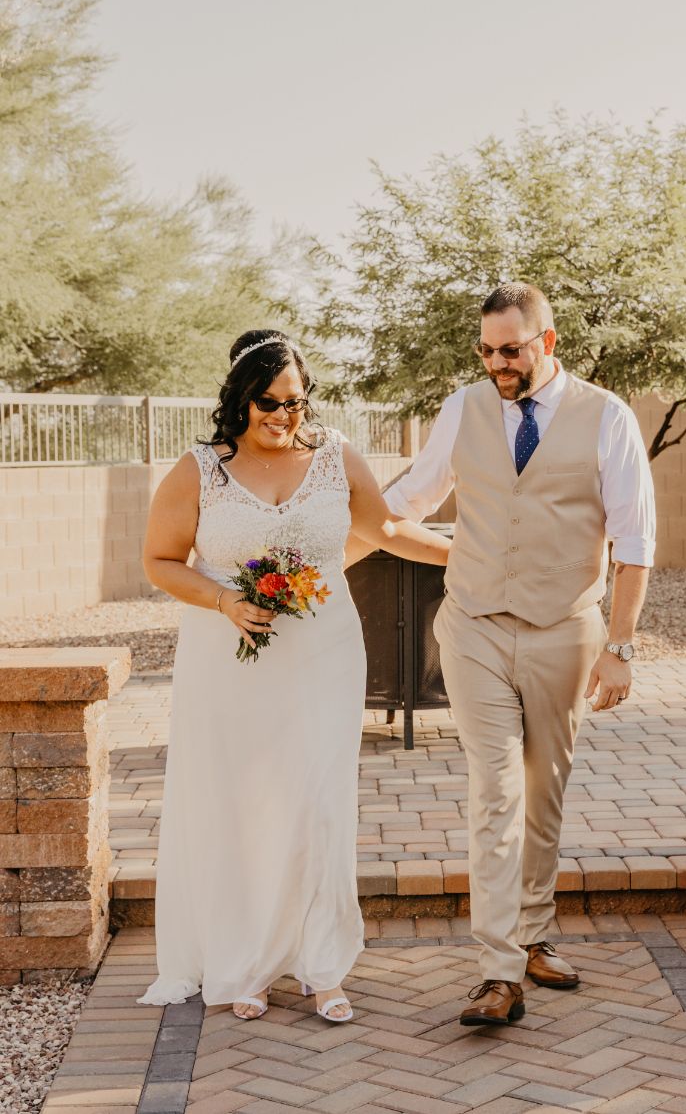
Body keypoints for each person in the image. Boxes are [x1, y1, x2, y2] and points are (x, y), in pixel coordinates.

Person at [138, 330, 450, 1021]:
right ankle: (249, 961)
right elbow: (159, 560)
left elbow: (387, 531)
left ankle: (321, 964)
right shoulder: (199, 470)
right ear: (240, 399)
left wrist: (471, 558)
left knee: (317, 802)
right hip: (227, 659)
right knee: (244, 801)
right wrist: (224, 599)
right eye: (269, 402)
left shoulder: (335, 455)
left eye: (296, 402)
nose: (284, 415)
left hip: (323, 653)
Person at [380, 282, 655, 1026]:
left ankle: (533, 933)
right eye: (486, 351)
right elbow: (407, 500)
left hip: (564, 628)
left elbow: (633, 542)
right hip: (472, 624)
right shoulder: (462, 408)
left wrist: (619, 648)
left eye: (511, 350)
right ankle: (499, 971)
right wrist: (328, 519)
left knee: (543, 789)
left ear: (546, 341)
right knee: (495, 789)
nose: (497, 364)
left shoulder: (607, 416)